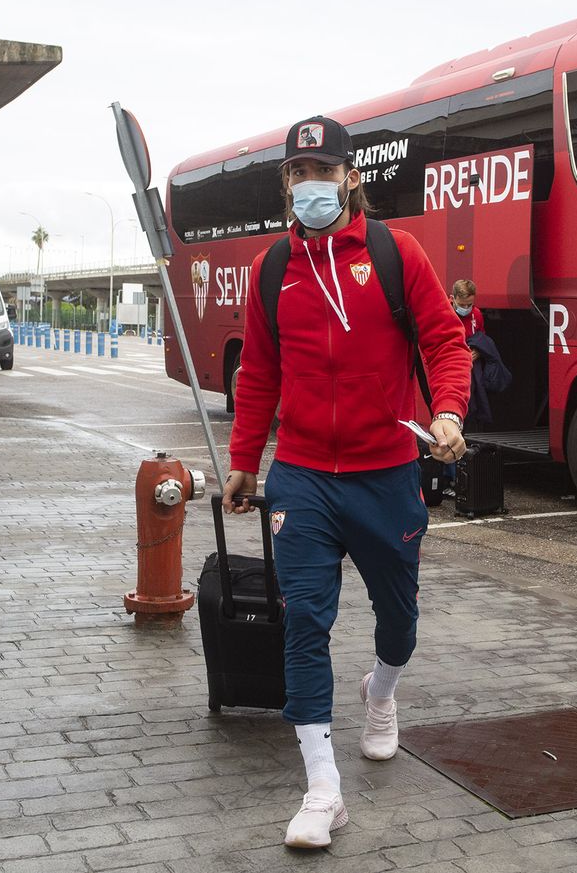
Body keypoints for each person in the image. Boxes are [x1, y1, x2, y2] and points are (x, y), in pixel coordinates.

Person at [221, 115, 471, 849]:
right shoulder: (274, 269)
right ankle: (322, 788)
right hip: (302, 475)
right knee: (305, 619)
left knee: (400, 620)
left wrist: (448, 409)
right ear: (286, 185)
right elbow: (258, 371)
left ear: (351, 177)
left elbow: (444, 340)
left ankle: (381, 690)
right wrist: (245, 458)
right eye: (298, 175)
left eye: (323, 172)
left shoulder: (397, 254)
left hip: (386, 469)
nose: (311, 186)